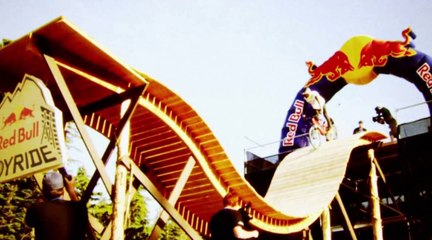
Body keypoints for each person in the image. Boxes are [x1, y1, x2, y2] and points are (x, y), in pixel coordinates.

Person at [25, 171, 89, 240]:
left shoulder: (36, 209)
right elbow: (79, 208)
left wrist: (41, 199)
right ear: (63, 190)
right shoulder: (79, 209)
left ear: (44, 191)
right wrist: (71, 191)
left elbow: (29, 222)